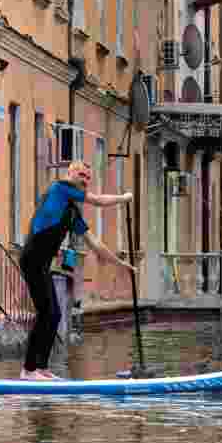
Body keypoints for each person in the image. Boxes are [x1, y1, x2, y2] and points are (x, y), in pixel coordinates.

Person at [19, 160, 134, 381]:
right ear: (69, 173)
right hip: (32, 258)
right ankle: (28, 370)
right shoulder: (59, 188)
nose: (84, 180)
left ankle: (40, 369)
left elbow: (95, 244)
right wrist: (124, 198)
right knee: (47, 313)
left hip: (42, 263)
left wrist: (121, 264)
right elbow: (98, 201)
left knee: (54, 314)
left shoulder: (71, 212)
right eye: (81, 174)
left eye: (88, 177)